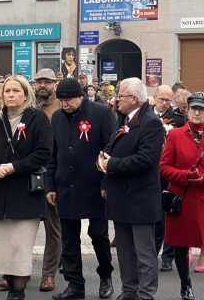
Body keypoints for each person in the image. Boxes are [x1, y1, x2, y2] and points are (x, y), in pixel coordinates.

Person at [0, 75, 53, 300]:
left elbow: (43, 153)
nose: (11, 95)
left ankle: (17, 292)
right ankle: (12, 286)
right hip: (0, 193)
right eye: (7, 91)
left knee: (20, 247)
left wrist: (14, 167)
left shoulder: (37, 119)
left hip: (25, 192)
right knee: (2, 249)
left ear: (25, 94)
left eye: (16, 91)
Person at [47, 78, 116, 300]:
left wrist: (106, 182)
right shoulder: (57, 118)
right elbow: (53, 154)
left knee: (98, 235)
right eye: (61, 100)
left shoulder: (101, 114)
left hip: (95, 185)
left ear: (80, 96)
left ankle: (106, 275)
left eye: (69, 100)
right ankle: (75, 284)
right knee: (69, 239)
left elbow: (111, 150)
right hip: (66, 185)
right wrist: (50, 185)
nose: (64, 104)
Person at [98, 77, 165, 300]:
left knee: (144, 254)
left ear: (134, 99)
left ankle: (145, 294)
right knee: (125, 252)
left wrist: (112, 164)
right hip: (121, 197)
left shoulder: (150, 122)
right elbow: (111, 149)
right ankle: (129, 291)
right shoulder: (124, 119)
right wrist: (102, 162)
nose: (116, 100)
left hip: (140, 199)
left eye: (121, 96)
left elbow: (146, 159)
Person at [159, 92, 204, 300]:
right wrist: (186, 176)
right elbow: (164, 168)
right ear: (188, 110)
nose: (197, 112)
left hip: (202, 198)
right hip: (182, 198)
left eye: (201, 109)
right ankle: (185, 285)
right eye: (194, 108)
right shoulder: (175, 135)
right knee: (180, 243)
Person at [151, 85, 185, 272]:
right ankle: (152, 252)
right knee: (154, 214)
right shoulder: (145, 115)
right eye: (161, 98)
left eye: (167, 100)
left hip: (171, 171)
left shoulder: (179, 120)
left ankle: (168, 256)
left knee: (170, 214)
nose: (164, 103)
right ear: (154, 97)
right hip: (150, 171)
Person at [33, 69, 62, 292]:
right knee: (23, 226)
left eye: (47, 82)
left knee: (53, 228)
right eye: (39, 81)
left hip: (54, 175)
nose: (43, 85)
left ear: (55, 84)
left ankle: (48, 274)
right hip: (30, 173)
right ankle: (16, 272)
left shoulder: (62, 108)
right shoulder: (30, 108)